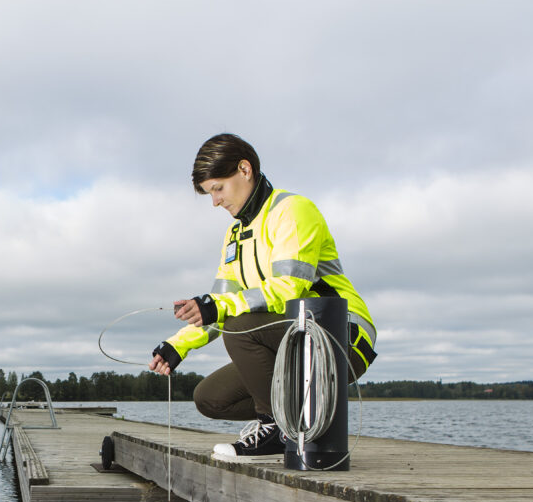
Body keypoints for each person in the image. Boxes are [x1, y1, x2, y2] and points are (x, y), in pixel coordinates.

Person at [149, 133, 377, 457]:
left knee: (239, 326)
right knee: (210, 397)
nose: (214, 201)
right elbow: (220, 305)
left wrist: (220, 308)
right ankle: (289, 425)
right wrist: (178, 345)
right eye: (209, 193)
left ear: (244, 170)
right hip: (289, 340)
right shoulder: (235, 235)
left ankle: (275, 426)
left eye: (218, 188)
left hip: (341, 335)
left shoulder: (292, 210)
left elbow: (288, 288)